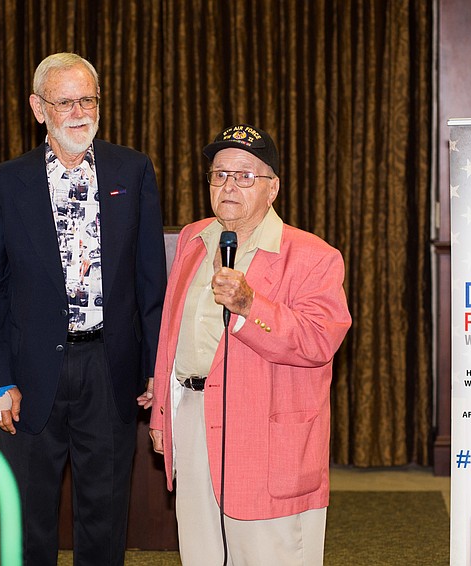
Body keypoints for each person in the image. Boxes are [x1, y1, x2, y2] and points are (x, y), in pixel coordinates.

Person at [0, 52, 167, 565]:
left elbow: (151, 280)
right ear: (39, 109)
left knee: (104, 517)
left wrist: (155, 365)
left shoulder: (133, 170)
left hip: (109, 367)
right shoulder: (3, 182)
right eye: (66, 102)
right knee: (29, 519)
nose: (80, 112)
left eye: (88, 100)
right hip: (30, 374)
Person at [147, 124, 352, 565]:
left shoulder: (313, 255)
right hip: (193, 419)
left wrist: (249, 306)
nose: (229, 186)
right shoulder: (193, 240)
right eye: (219, 174)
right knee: (201, 553)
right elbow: (172, 331)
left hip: (267, 434)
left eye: (245, 176)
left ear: (272, 188)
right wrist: (162, 412)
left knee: (269, 555)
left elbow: (319, 340)